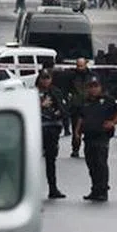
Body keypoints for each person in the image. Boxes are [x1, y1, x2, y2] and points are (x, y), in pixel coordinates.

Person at [77, 77, 117, 202]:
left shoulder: (107, 100)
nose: (93, 89)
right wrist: (77, 132)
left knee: (101, 163)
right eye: (91, 87)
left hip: (102, 136)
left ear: (100, 87)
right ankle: (95, 189)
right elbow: (81, 117)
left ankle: (103, 190)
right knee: (91, 164)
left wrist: (113, 122)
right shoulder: (85, 101)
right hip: (88, 136)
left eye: (96, 86)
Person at [36, 70, 66, 199]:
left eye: (48, 78)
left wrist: (59, 114)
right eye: (43, 78)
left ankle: (53, 188)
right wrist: (40, 105)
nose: (45, 81)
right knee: (33, 161)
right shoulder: (32, 93)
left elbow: (64, 108)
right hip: (37, 129)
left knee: (51, 160)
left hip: (52, 128)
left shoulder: (55, 92)